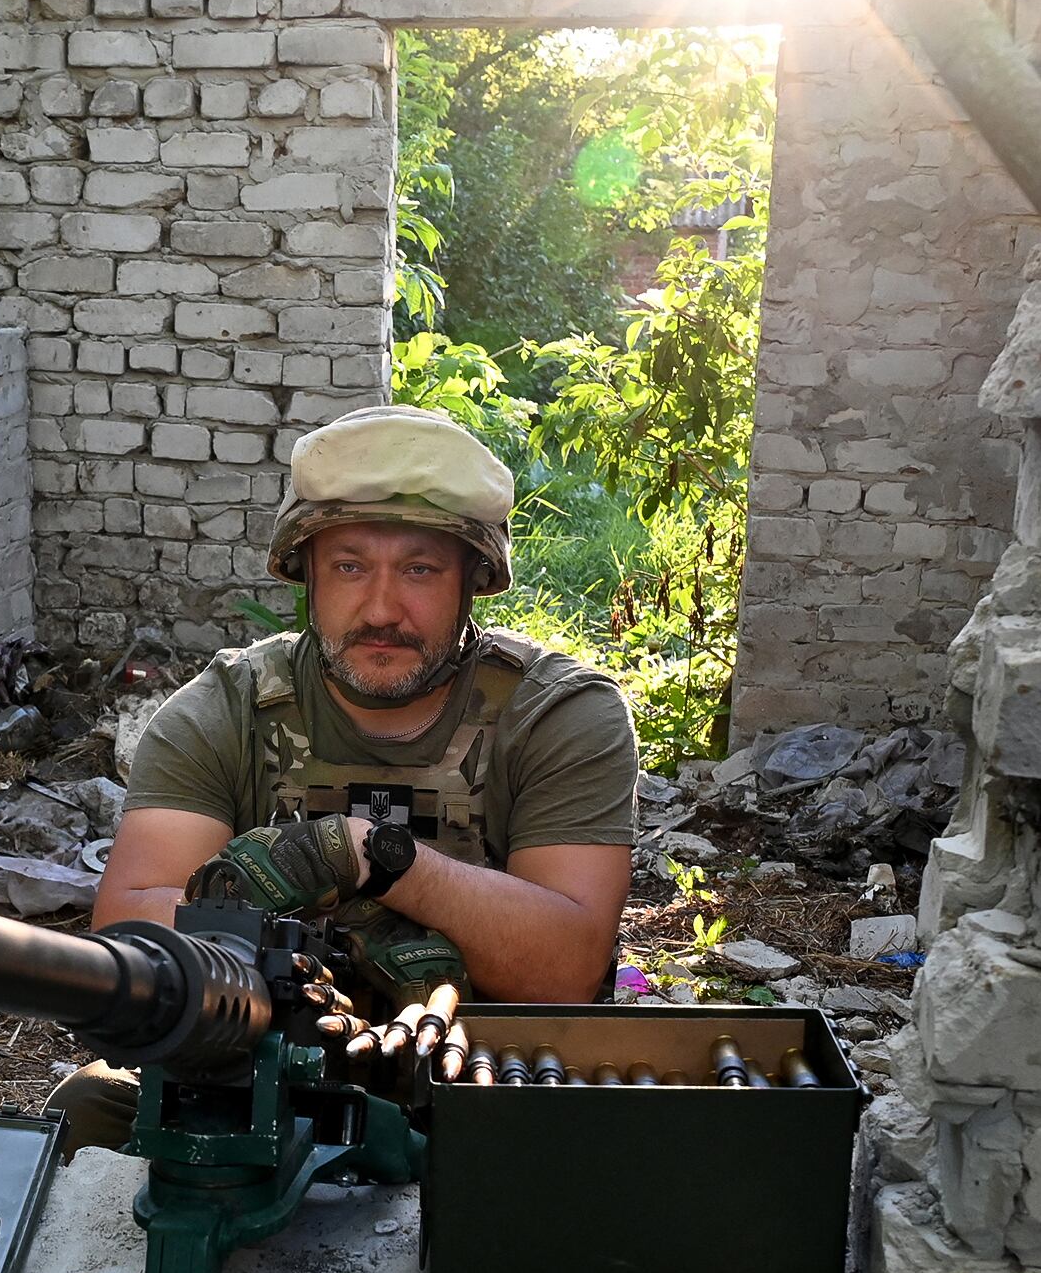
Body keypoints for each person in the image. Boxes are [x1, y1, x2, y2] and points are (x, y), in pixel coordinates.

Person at [51, 402, 639, 1143]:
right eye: (350, 566)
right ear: (309, 575)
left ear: (471, 580)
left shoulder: (556, 714)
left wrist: (374, 860)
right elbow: (132, 936)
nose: (382, 608)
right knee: (84, 1114)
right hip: (259, 1069)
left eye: (420, 570)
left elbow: (563, 973)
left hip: (485, 1079)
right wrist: (340, 921)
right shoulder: (226, 709)